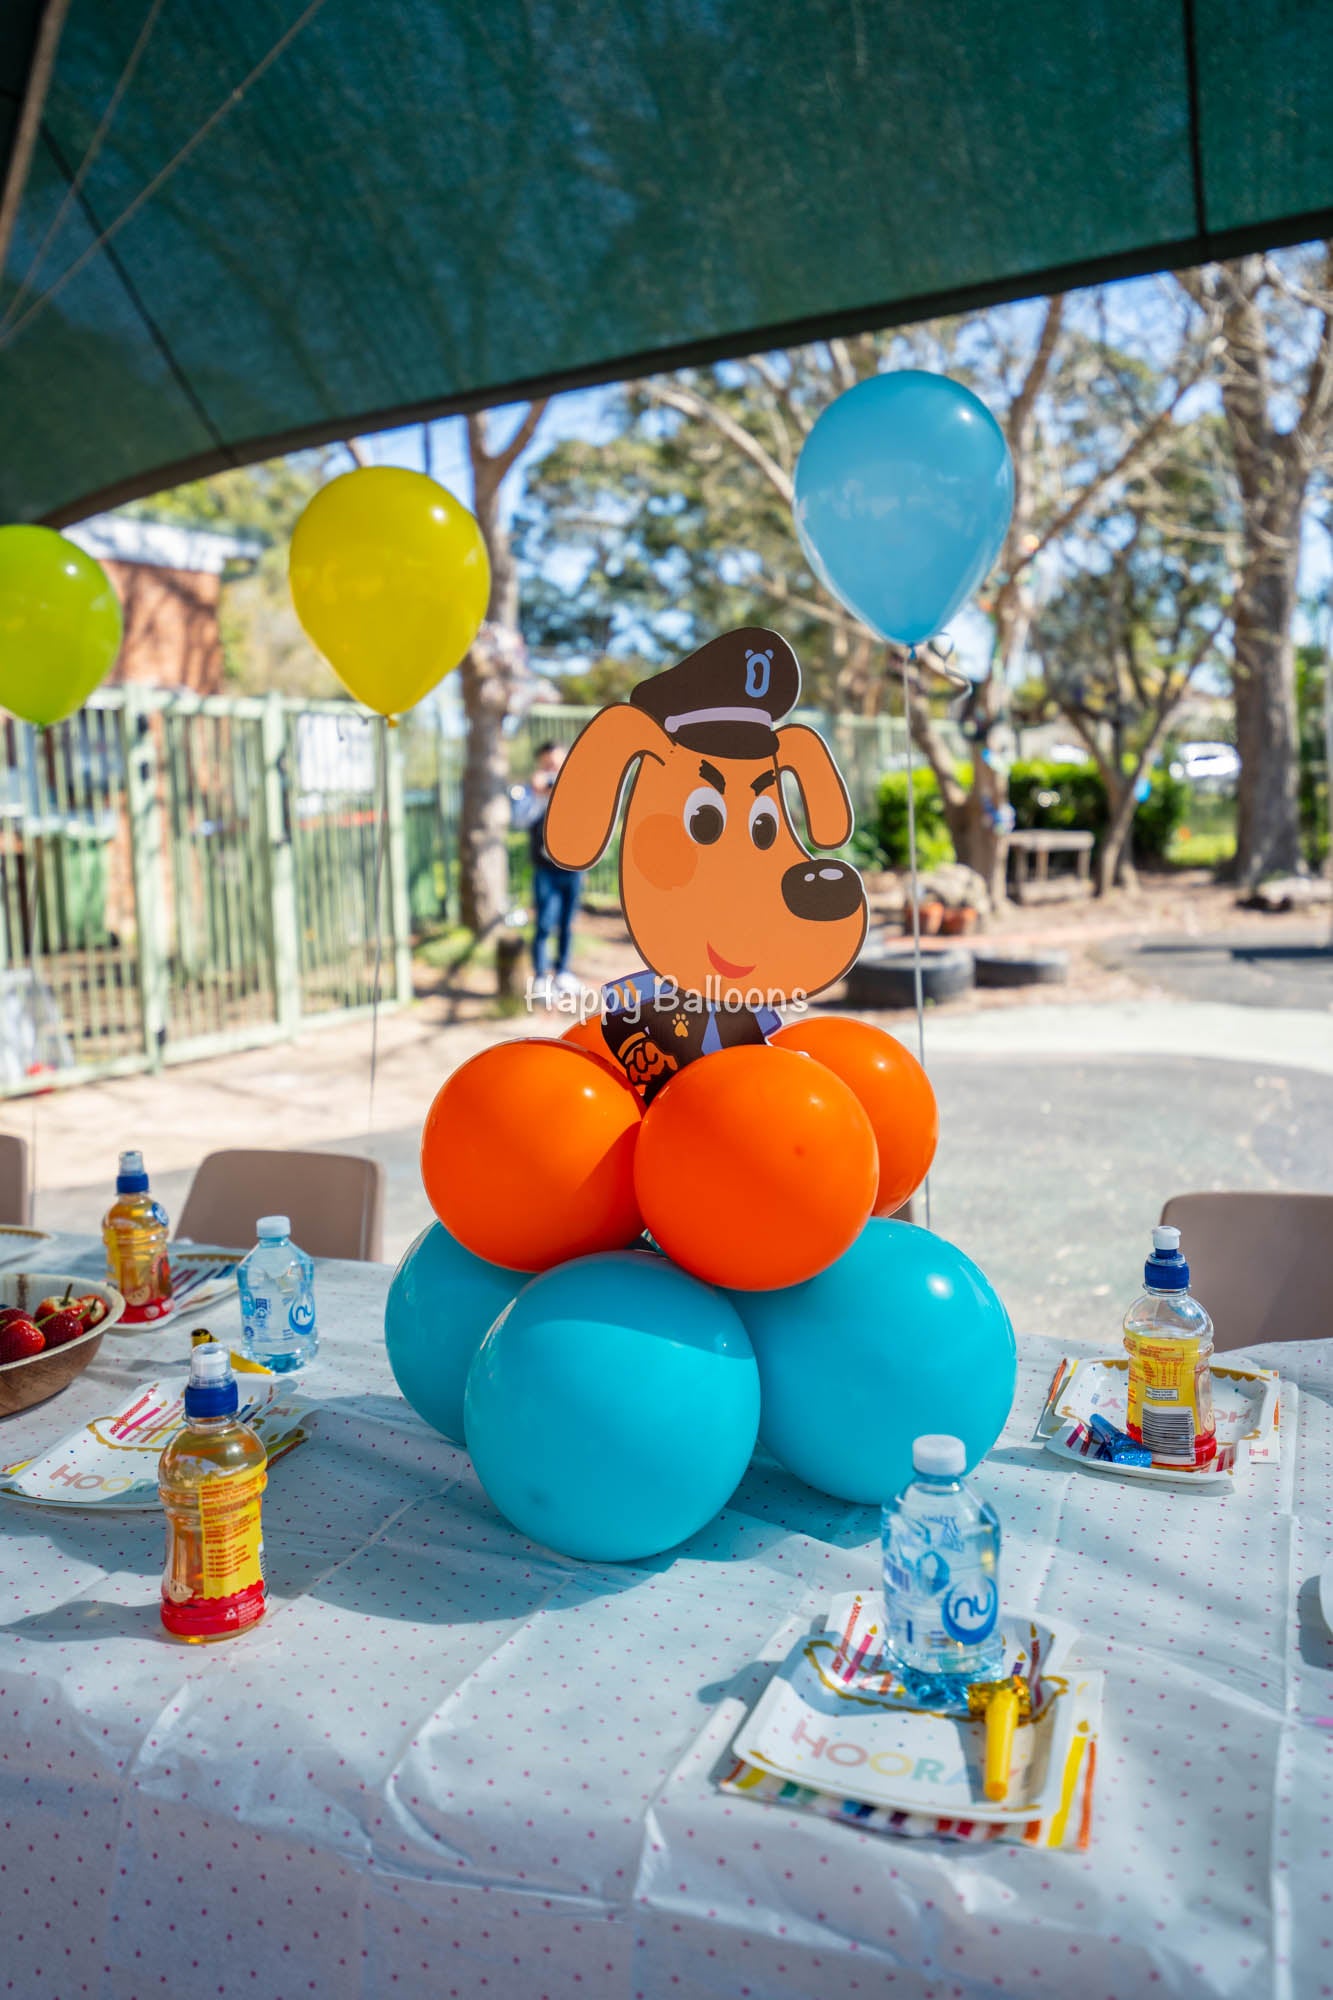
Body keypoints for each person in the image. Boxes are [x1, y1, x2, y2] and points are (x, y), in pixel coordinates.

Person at [516, 742, 583, 994]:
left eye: (556, 763)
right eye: (548, 764)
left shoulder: (577, 788)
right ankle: (541, 976)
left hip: (574, 868)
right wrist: (538, 796)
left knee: (568, 922)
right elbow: (519, 820)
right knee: (544, 922)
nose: (552, 770)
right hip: (545, 868)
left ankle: (563, 972)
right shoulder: (531, 792)